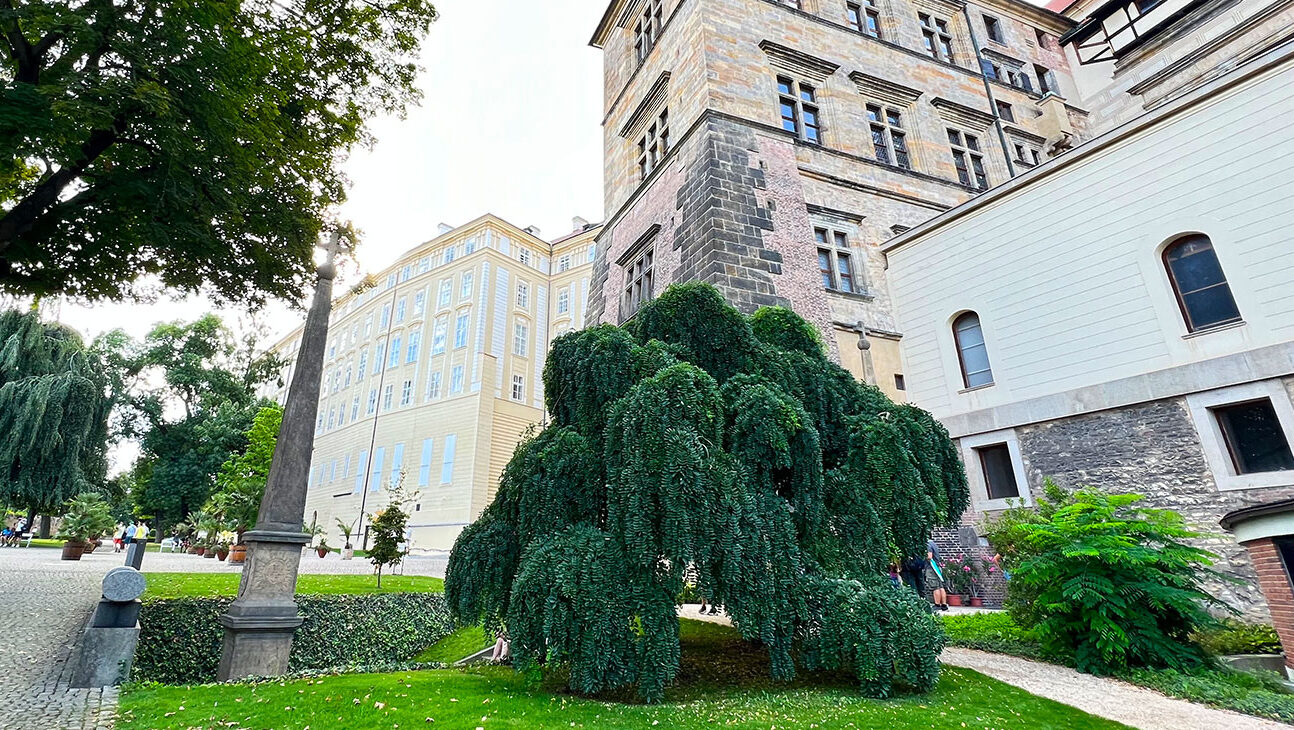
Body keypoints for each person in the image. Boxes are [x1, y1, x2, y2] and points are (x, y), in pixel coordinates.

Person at [926, 539, 949, 612]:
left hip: (932, 568)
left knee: (935, 587)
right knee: (940, 586)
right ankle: (944, 605)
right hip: (938, 567)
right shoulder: (934, 544)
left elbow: (929, 556)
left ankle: (937, 605)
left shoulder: (928, 545)